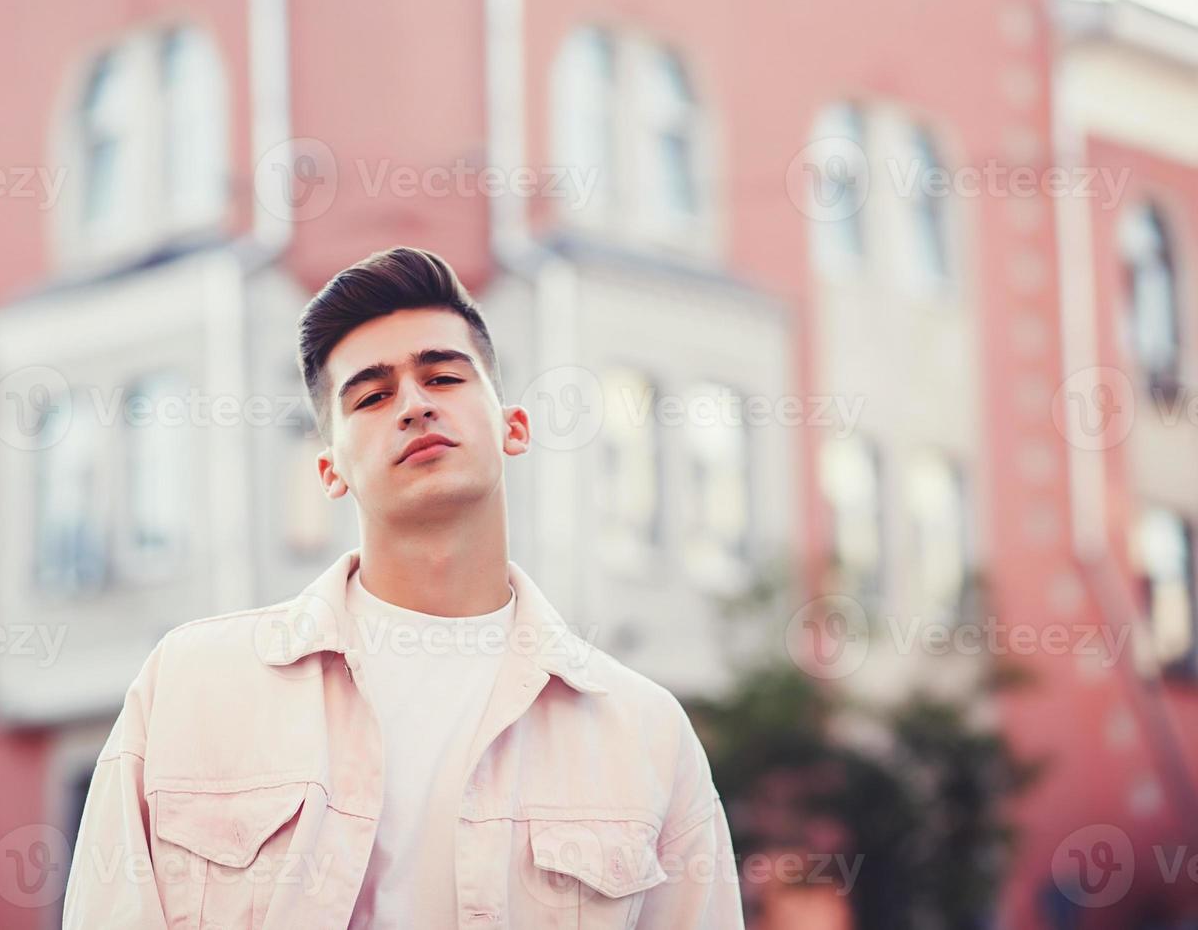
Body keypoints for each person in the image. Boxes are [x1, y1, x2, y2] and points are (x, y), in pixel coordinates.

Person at [63, 246, 746, 928]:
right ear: (329, 468)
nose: (414, 405)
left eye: (443, 378)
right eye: (372, 395)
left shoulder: (645, 735)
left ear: (513, 426)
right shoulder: (188, 689)